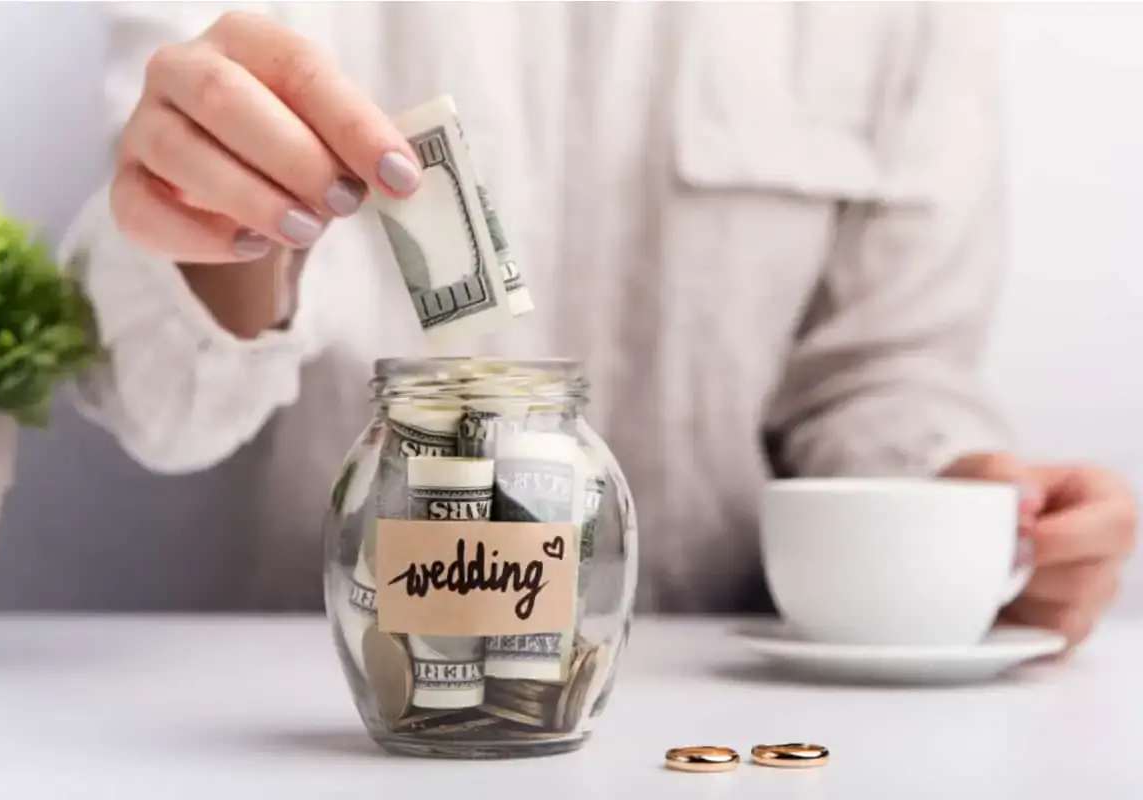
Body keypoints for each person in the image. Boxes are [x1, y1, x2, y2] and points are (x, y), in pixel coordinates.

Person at [60, 2, 1135, 646]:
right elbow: (157, 398)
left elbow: (881, 368)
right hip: (345, 683)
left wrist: (975, 515)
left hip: (741, 689)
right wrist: (228, 226)